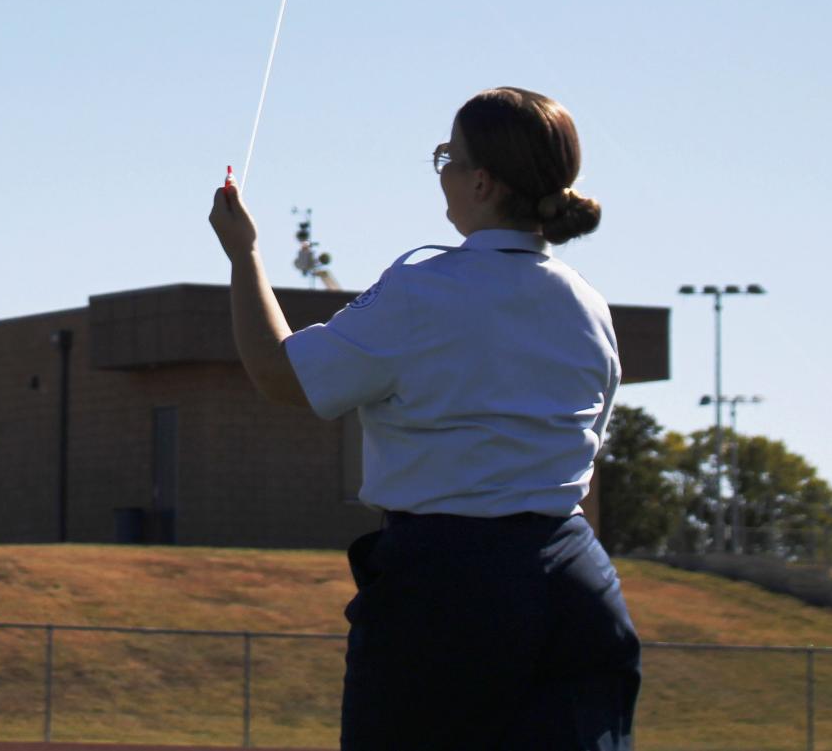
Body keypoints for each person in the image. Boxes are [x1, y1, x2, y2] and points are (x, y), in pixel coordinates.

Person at [209, 86, 641, 750]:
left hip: (446, 590)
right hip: (576, 585)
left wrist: (243, 255)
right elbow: (581, 475)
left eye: (446, 154)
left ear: (480, 180)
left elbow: (277, 373)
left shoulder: (424, 287)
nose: (439, 168)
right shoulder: (588, 305)